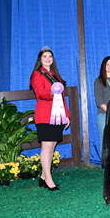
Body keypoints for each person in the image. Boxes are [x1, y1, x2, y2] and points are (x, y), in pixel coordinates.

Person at [30, 46, 70, 191]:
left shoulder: (55, 75)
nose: (48, 59)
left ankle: (43, 176)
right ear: (40, 59)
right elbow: (40, 93)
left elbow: (62, 98)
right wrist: (52, 92)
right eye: (45, 56)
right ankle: (49, 180)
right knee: (47, 147)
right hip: (45, 115)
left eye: (50, 57)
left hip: (57, 116)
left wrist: (67, 115)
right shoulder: (37, 74)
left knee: (52, 146)